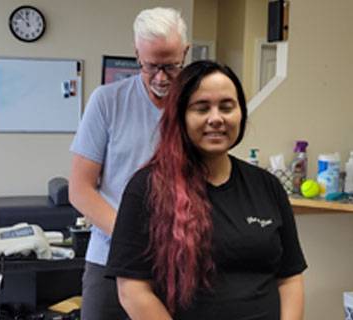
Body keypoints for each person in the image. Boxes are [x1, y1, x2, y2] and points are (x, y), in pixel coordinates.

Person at [107, 61, 306, 319]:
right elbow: (133, 290)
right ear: (180, 116)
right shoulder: (147, 188)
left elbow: (289, 278)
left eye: (227, 107)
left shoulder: (267, 186)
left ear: (241, 114)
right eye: (201, 108)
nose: (216, 118)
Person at [68, 7, 189, 318]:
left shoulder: (197, 107)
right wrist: (131, 238)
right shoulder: (107, 101)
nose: (161, 77)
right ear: (137, 54)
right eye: (151, 66)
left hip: (179, 261)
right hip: (110, 257)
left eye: (172, 66)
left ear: (185, 53)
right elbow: (80, 189)